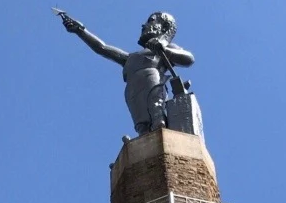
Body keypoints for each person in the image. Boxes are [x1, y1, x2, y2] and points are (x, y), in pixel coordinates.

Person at [57, 10, 194, 134]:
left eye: (151, 20)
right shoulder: (131, 57)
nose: (144, 25)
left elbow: (188, 59)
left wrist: (165, 50)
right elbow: (102, 48)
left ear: (163, 27)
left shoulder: (165, 48)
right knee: (141, 125)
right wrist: (81, 30)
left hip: (152, 82)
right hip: (133, 91)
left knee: (157, 115)